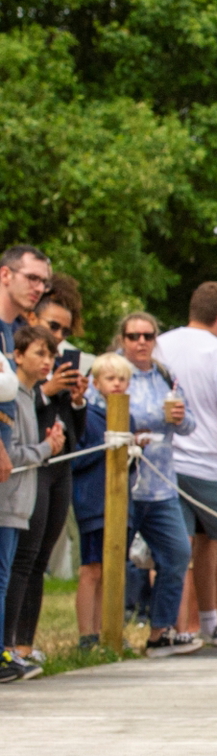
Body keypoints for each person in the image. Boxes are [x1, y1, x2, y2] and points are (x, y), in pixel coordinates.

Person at [156, 282, 217, 649]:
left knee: (185, 543)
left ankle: (186, 625)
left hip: (165, 458)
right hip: (208, 460)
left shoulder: (162, 343)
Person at [110, 311, 201, 657]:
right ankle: (108, 635)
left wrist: (179, 419)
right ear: (123, 340)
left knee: (177, 554)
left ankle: (160, 632)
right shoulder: (112, 371)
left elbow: (189, 423)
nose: (141, 342)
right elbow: (95, 413)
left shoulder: (164, 374)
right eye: (133, 336)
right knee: (113, 559)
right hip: (123, 481)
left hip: (161, 483)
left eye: (148, 336)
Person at [6, 276, 86, 661]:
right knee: (22, 556)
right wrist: (47, 390)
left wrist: (77, 400)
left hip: (58, 464)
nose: (57, 337)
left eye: (64, 331)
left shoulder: (57, 362)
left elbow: (75, 430)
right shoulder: (23, 364)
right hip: (27, 464)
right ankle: (10, 646)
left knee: (40, 558)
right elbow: (20, 413)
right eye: (52, 327)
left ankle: (24, 642)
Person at [0, 325, 60, 677]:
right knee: (4, 577)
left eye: (51, 355)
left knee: (11, 574)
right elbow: (13, 453)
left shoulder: (29, 397)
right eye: (39, 353)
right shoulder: (15, 398)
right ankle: (5, 651)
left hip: (19, 505)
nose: (47, 361)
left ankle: (8, 648)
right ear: (17, 356)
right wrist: (46, 449)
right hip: (7, 503)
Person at [70, 353, 121, 654]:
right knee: (91, 569)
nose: (116, 384)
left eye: (121, 379)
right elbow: (75, 457)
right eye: (110, 378)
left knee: (110, 567)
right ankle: (86, 634)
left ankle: (105, 630)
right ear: (96, 382)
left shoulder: (123, 412)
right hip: (92, 498)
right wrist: (107, 446)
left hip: (118, 501)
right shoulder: (86, 413)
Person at [0, 245, 50, 354]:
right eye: (32, 278)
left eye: (44, 282)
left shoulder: (17, 331)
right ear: (5, 275)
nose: (40, 289)